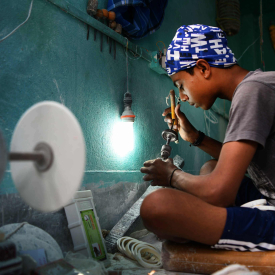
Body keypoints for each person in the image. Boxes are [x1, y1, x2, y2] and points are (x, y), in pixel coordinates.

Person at [140, 24, 275, 251]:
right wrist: (194, 137)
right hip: (268, 195)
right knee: (210, 169)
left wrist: (171, 175)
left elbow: (219, 193)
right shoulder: (257, 85)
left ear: (203, 68)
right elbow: (241, 161)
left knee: (156, 206)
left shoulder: (252, 91)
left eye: (180, 85)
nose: (181, 96)